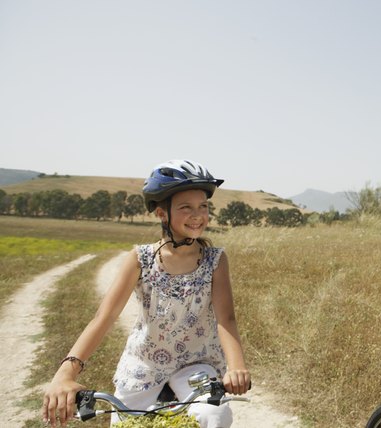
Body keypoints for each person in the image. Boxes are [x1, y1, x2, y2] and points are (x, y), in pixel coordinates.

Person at [42, 160, 251, 428]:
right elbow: (104, 316)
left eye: (203, 206)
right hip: (145, 363)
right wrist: (66, 372)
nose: (198, 214)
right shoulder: (140, 258)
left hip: (196, 362)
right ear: (162, 213)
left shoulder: (215, 260)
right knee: (123, 423)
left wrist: (236, 367)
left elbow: (227, 318)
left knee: (215, 416)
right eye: (186, 207)